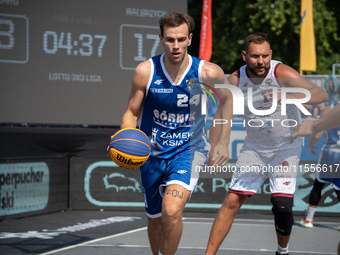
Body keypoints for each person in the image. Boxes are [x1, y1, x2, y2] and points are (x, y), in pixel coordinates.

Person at [118, 13, 232, 255]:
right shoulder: (146, 71)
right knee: (156, 218)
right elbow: (131, 112)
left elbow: (228, 100)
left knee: (171, 210)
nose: (176, 45)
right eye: (170, 39)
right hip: (151, 152)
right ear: (161, 39)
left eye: (181, 39)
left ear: (190, 39)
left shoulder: (207, 72)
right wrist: (124, 139)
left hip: (188, 151)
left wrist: (223, 141)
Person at [205, 32, 328, 255]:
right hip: (255, 147)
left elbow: (321, 95)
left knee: (282, 206)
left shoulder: (281, 72)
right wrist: (215, 147)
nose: (260, 61)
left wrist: (287, 94)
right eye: (254, 56)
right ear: (245, 56)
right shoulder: (236, 80)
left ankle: (282, 251)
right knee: (232, 199)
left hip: (285, 147)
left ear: (270, 54)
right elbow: (222, 115)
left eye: (264, 56)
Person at [295, 87, 340, 229]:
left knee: (318, 185)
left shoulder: (330, 108)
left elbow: (318, 130)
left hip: (330, 153)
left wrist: (311, 144)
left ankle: (309, 219)